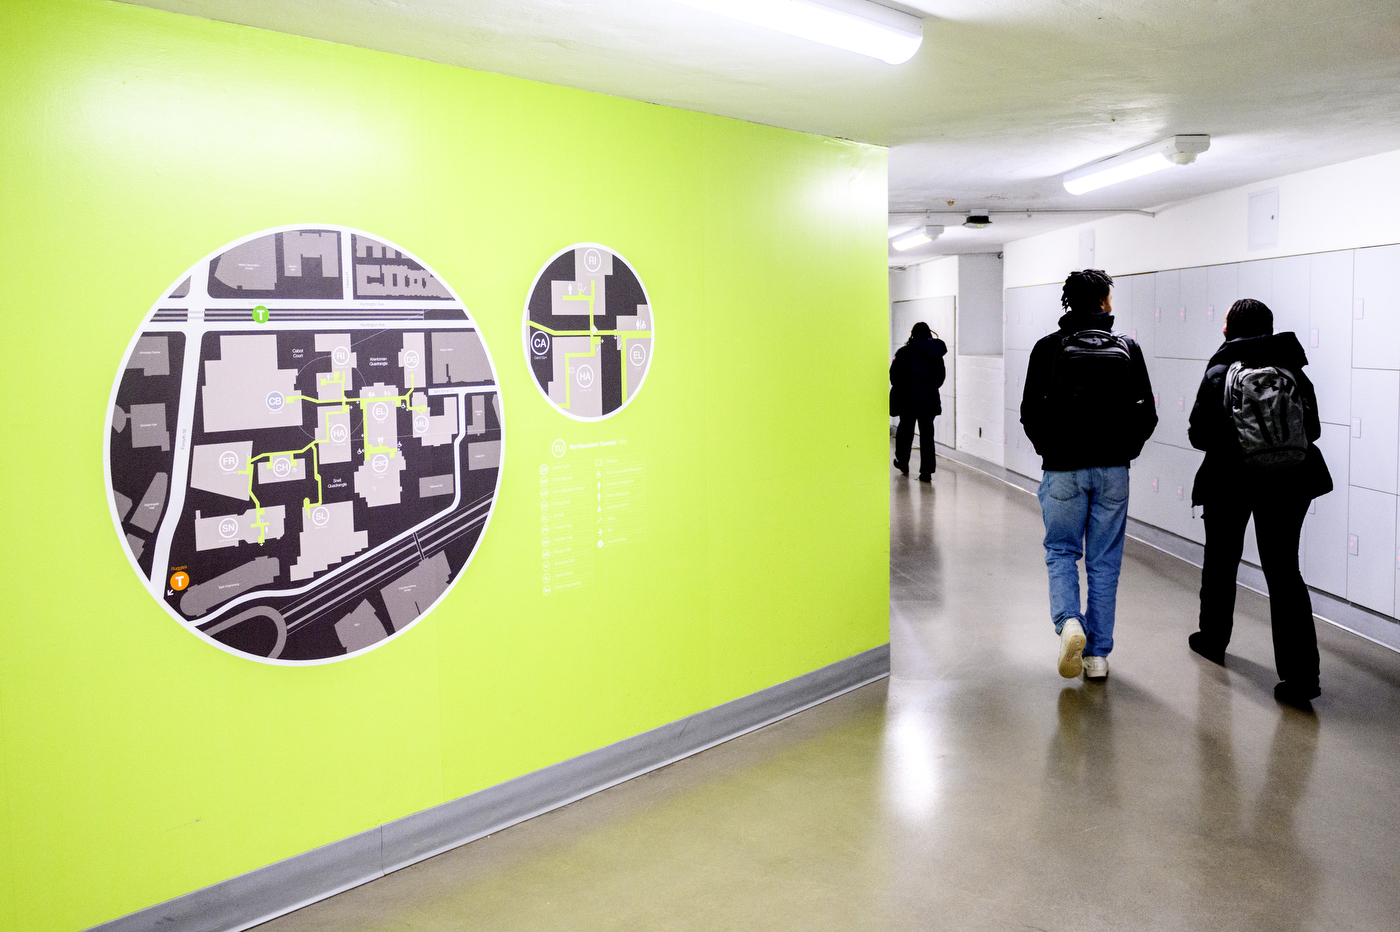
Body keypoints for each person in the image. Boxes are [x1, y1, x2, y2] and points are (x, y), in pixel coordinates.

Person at [1186, 298, 1333, 706]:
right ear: (1269, 330)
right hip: (1289, 481)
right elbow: (1314, 430)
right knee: (1284, 572)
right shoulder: (1293, 372)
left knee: (1221, 559)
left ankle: (1212, 639)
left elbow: (1199, 434)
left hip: (1229, 480)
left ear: (1228, 329)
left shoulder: (1220, 371)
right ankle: (1301, 677)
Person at [1021, 269, 1157, 680]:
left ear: (1068, 302)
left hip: (1063, 469)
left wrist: (1052, 450)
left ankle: (1069, 625)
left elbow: (1030, 412)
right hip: (1114, 470)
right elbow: (1146, 413)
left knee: (1062, 551)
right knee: (1105, 561)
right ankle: (1097, 657)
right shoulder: (1128, 347)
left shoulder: (1047, 348)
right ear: (1104, 301)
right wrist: (1123, 452)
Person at [890, 322, 947, 482]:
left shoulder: (904, 352)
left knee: (905, 431)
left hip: (907, 400)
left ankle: (902, 462)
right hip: (929, 400)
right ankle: (926, 472)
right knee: (927, 435)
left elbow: (894, 376)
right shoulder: (936, 354)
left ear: (912, 334)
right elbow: (941, 378)